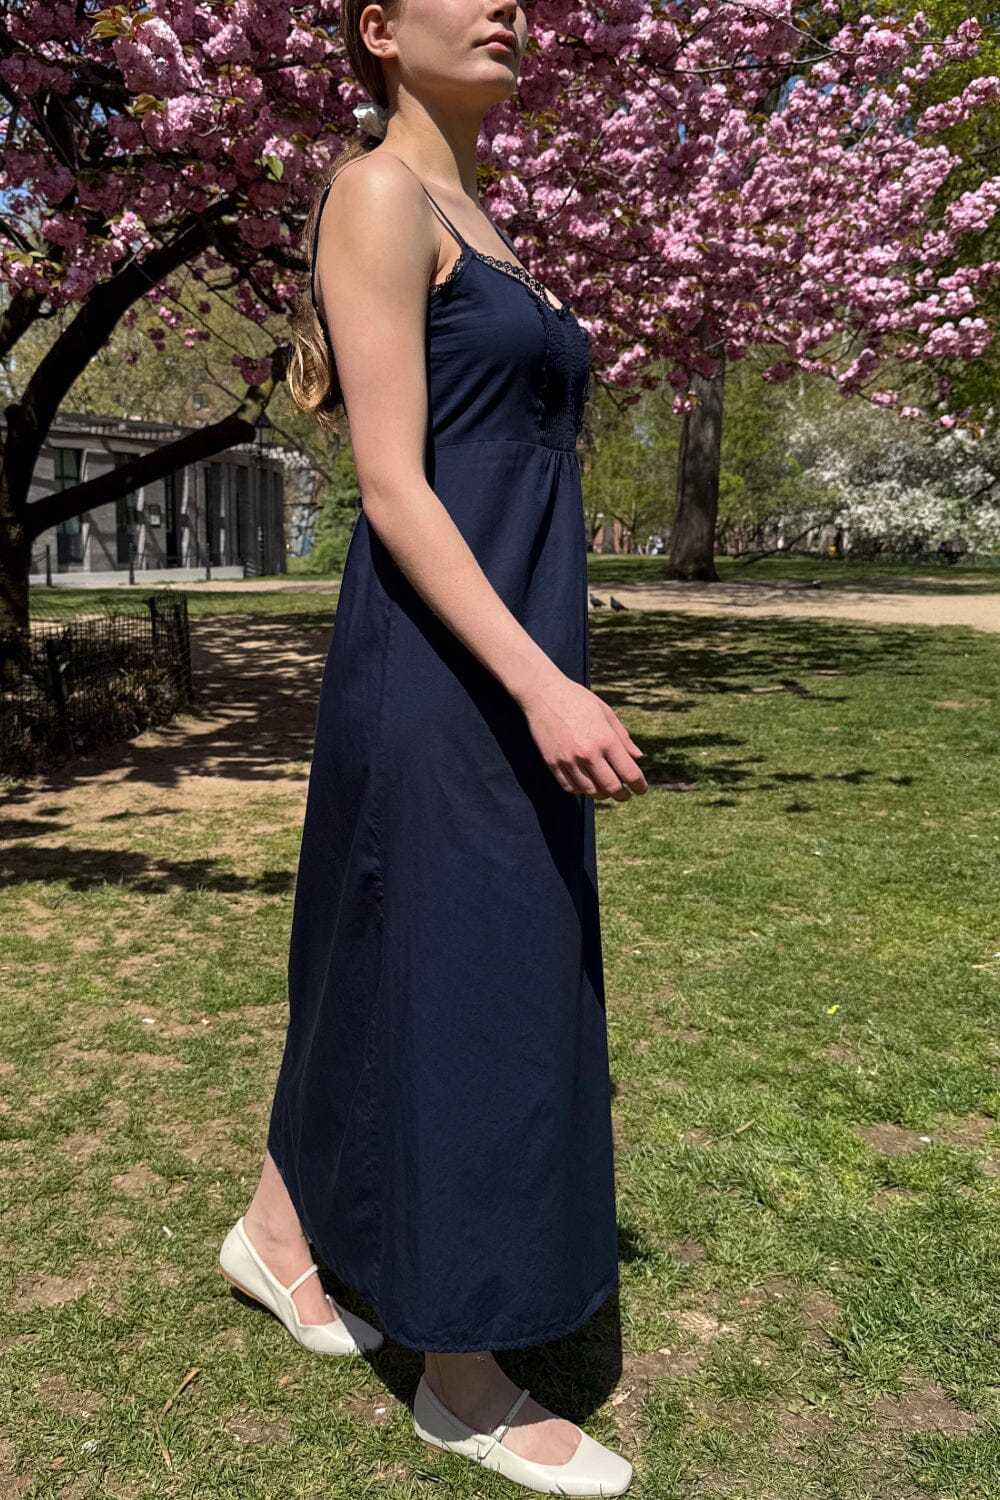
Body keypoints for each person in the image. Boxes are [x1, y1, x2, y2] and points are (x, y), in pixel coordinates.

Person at [217, 2, 646, 1493]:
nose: (511, 8)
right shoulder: (379, 191)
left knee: (392, 949)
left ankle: (279, 1230)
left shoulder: (482, 215)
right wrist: (541, 685)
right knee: (476, 977)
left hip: (502, 644)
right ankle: (462, 1375)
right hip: (446, 669)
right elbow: (393, 486)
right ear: (381, 30)